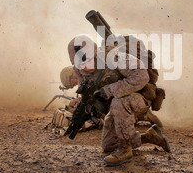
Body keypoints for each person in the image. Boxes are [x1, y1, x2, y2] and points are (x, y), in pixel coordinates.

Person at [68, 35, 170, 166]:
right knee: (108, 146)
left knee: (119, 101)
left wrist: (110, 90)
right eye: (80, 63)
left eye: (88, 60)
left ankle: (125, 149)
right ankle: (151, 136)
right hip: (117, 105)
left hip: (140, 97)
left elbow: (142, 76)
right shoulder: (79, 71)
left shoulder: (114, 57)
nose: (85, 66)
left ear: (94, 53)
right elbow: (87, 93)